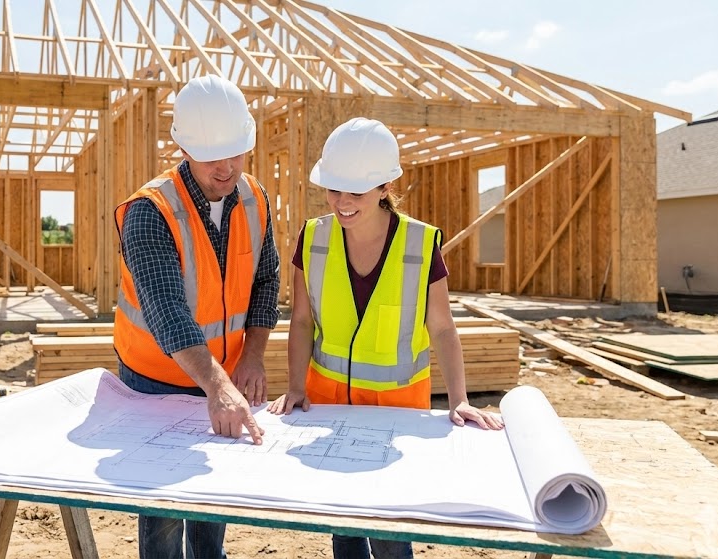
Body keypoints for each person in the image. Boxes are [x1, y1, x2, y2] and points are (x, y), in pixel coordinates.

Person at [268, 118, 504, 559]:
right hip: (329, 404)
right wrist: (296, 386)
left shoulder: (419, 243)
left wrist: (459, 399)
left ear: (384, 187)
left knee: (390, 529)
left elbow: (442, 328)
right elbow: (301, 321)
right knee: (343, 523)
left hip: (398, 410)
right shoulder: (313, 237)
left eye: (355, 193)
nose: (342, 203)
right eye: (334, 190)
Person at [114, 74, 280, 559]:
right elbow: (167, 311)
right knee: (165, 502)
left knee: (213, 495)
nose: (227, 169)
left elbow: (266, 280)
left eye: (236, 154)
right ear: (184, 148)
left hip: (223, 368)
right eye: (213, 157)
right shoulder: (151, 211)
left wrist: (252, 357)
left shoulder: (254, 198)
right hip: (155, 377)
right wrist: (218, 385)